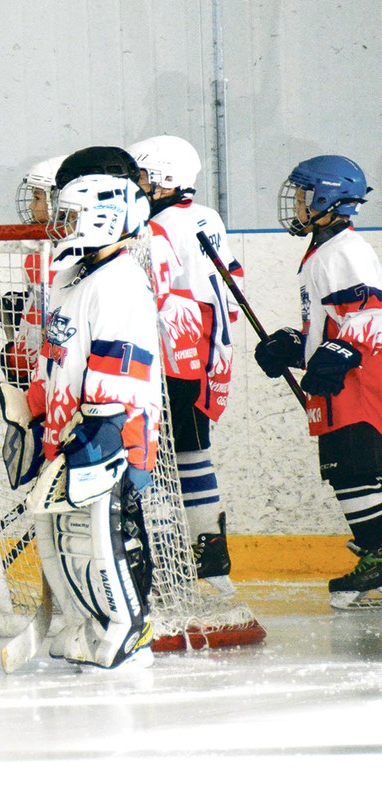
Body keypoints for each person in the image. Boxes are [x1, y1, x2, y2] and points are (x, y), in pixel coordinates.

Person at [25, 168, 160, 669]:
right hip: (68, 429)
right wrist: (34, 417)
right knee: (71, 538)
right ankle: (92, 622)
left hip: (112, 431)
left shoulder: (121, 280)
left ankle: (130, 629)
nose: (59, 225)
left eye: (70, 216)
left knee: (108, 534)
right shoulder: (69, 277)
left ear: (103, 220)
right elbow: (54, 356)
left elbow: (120, 362)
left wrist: (97, 427)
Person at [255, 155, 382, 609]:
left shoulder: (344, 250)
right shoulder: (323, 251)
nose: (299, 205)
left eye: (305, 195)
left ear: (329, 198)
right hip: (344, 374)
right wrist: (297, 347)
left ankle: (378, 557)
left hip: (360, 378)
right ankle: (376, 553)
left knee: (354, 466)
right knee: (344, 467)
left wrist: (339, 353)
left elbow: (369, 313)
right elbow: (330, 322)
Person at [127, 135, 243, 588]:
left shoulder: (156, 230)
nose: (135, 187)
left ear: (163, 180)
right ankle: (211, 561)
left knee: (158, 457)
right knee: (194, 453)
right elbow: (232, 281)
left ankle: (170, 564)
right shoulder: (206, 217)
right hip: (207, 355)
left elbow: (148, 295)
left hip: (174, 357)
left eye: (140, 178)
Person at [0, 154, 64, 389]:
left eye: (37, 198)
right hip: (31, 368)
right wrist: (26, 306)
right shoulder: (37, 252)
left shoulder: (68, 257)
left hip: (52, 372)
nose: (31, 206)